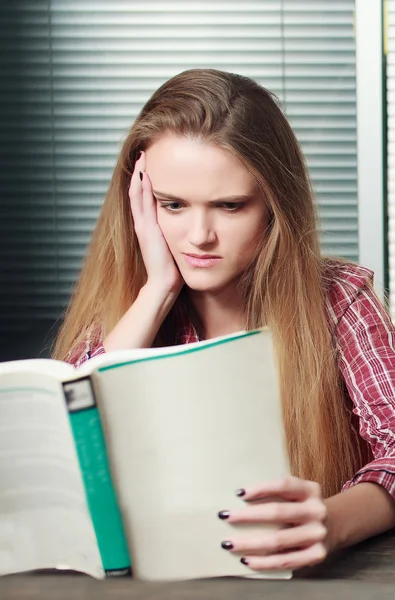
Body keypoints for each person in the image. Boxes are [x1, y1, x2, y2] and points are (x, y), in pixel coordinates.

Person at [53, 68, 395, 571]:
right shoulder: (130, 308)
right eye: (172, 205)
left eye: (229, 206)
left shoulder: (341, 299)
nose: (199, 236)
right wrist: (157, 291)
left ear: (276, 206)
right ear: (142, 206)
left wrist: (331, 521)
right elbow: (64, 453)